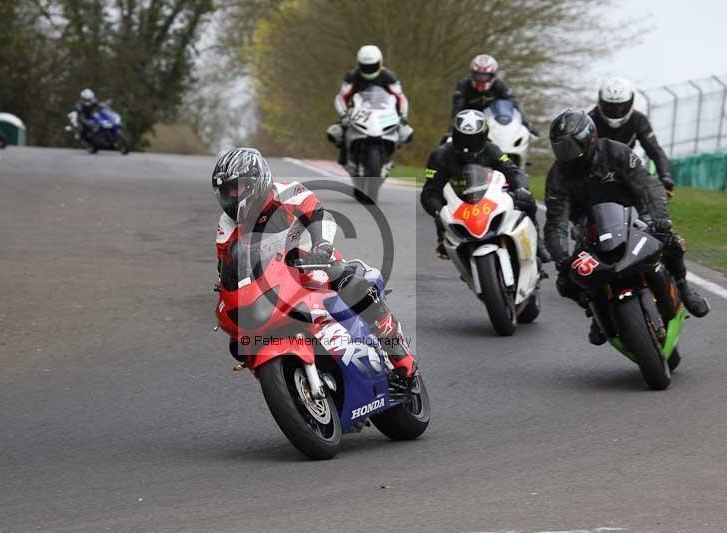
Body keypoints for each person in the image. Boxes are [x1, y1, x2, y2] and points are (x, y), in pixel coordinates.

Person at [212, 147, 418, 380]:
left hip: (312, 261)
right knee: (238, 341)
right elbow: (227, 263)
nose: (230, 196)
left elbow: (319, 215)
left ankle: (398, 351)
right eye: (224, 191)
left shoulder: (288, 193)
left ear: (256, 180)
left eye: (234, 187)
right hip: (272, 279)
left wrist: (322, 245)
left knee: (352, 285)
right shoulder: (226, 224)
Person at [544, 109, 709, 345]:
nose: (567, 155)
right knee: (567, 281)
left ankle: (683, 287)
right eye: (561, 149)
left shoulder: (615, 151)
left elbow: (649, 185)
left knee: (669, 240)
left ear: (589, 138)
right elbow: (555, 222)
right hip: (589, 229)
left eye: (571, 147)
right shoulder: (557, 176)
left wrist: (658, 218)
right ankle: (596, 311)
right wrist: (560, 256)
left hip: (634, 215)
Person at [421, 109, 551, 263]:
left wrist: (520, 188)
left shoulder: (492, 150)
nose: (467, 146)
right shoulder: (440, 156)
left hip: (489, 199)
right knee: (440, 213)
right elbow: (430, 191)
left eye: (472, 140)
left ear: (483, 136)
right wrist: (438, 211)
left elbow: (513, 171)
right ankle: (444, 241)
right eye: (462, 138)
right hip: (458, 204)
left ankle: (538, 243)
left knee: (526, 200)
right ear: (454, 135)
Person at [590, 78, 675, 192]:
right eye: (610, 106)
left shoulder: (639, 120)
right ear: (600, 102)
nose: (615, 111)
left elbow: (655, 150)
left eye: (620, 106)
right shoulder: (590, 120)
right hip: (595, 171)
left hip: (627, 166)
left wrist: (665, 176)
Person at [331, 45, 409, 165]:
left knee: (406, 132)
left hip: (383, 113)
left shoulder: (388, 76)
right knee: (336, 131)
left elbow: (400, 97)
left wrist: (403, 116)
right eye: (366, 66)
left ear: (380, 62)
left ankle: (389, 153)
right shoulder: (352, 76)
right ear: (359, 64)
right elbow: (342, 97)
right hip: (359, 112)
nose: (369, 69)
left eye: (372, 66)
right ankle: (344, 153)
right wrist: (343, 115)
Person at [449, 54, 537, 137]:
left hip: (492, 125)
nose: (481, 79)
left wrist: (526, 123)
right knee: (448, 139)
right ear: (473, 74)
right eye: (478, 75)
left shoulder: (499, 85)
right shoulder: (464, 85)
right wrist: (456, 122)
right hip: (467, 122)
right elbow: (457, 107)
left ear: (492, 76)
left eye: (485, 76)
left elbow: (514, 103)